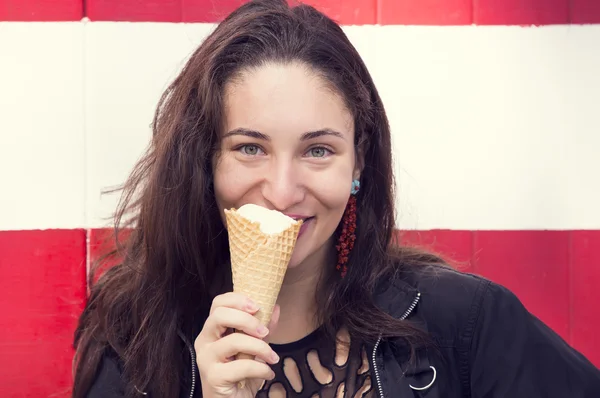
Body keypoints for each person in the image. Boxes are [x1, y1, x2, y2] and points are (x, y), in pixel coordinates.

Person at [72, 0, 600, 397]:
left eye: (318, 150)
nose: (281, 191)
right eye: (250, 147)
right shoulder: (132, 338)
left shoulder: (465, 322)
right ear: (204, 161)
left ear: (359, 162)